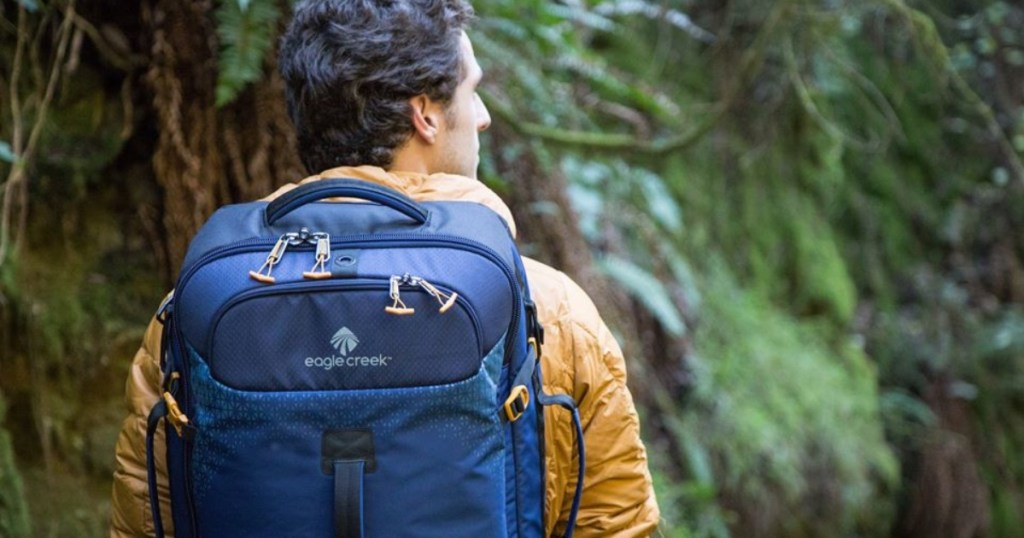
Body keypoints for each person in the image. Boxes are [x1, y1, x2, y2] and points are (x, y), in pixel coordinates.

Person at [110, 1, 660, 536]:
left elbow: (146, 520)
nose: (485, 117)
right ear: (425, 115)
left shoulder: (193, 307)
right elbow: (616, 522)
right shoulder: (550, 309)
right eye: (472, 92)